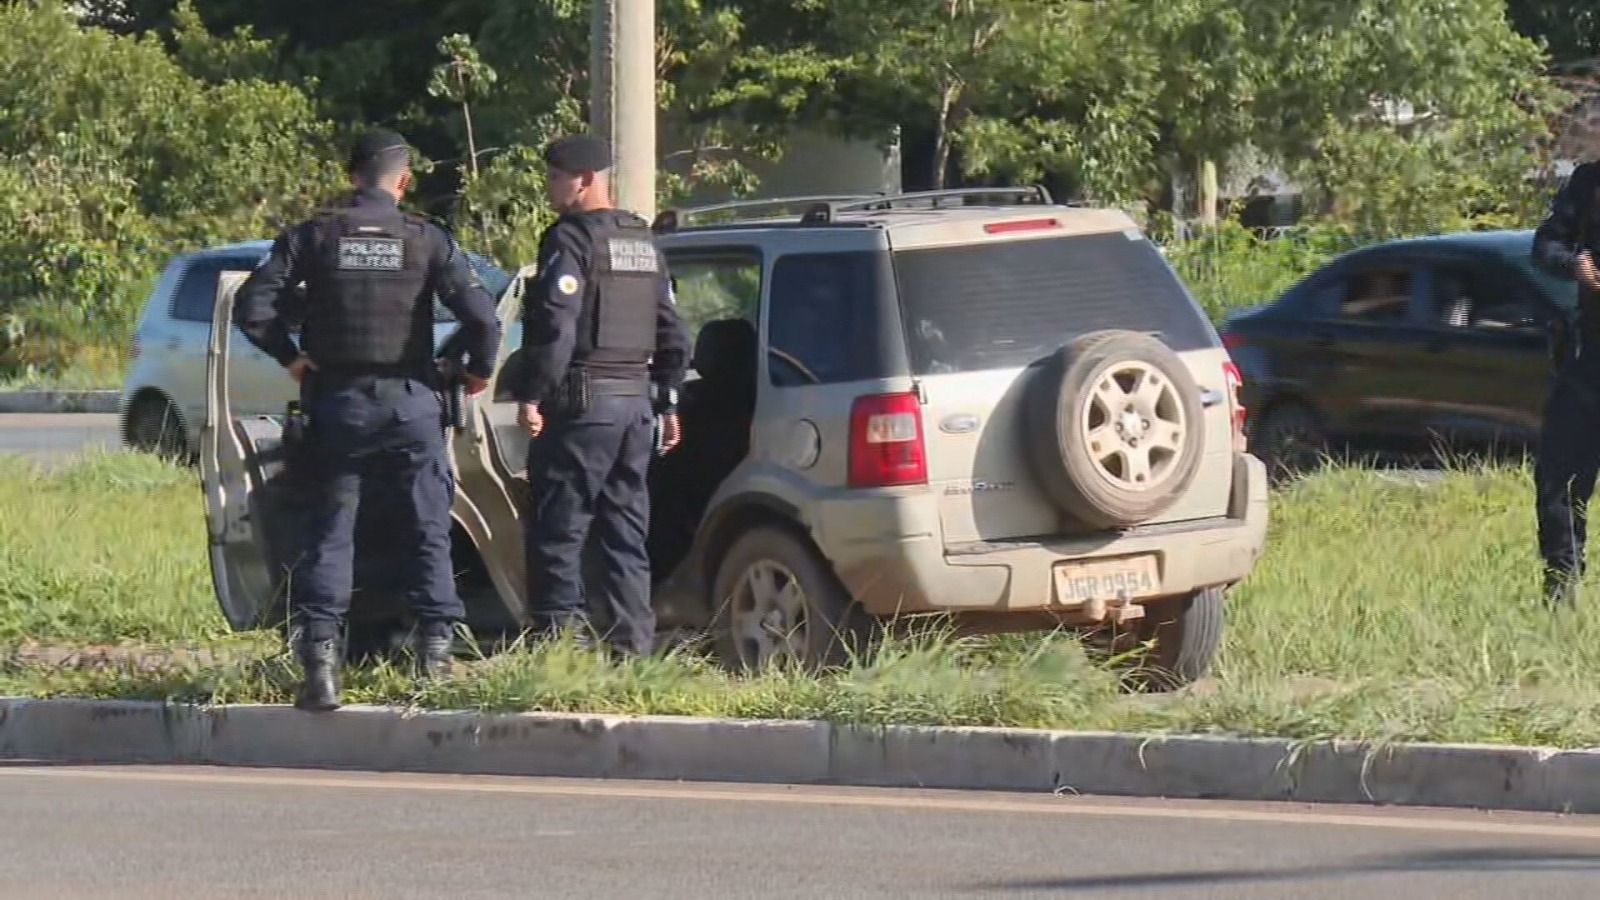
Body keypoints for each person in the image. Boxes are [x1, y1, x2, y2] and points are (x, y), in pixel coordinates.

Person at [233, 129, 502, 709]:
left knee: (330, 532)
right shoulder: (427, 240)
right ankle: (434, 663)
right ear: (403, 181)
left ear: (352, 175)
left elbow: (251, 306)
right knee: (427, 528)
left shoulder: (315, 236)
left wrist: (294, 359)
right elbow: (483, 318)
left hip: (338, 402)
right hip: (410, 403)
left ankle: (320, 672)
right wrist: (477, 372)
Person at [512, 133, 691, 656]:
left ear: (586, 180)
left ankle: (556, 654)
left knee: (560, 528)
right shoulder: (642, 240)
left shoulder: (571, 239)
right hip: (635, 408)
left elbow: (555, 328)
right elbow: (673, 330)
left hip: (584, 405)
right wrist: (670, 399)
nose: (549, 187)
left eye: (554, 177)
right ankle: (631, 651)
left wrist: (532, 393)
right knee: (624, 531)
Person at [1531, 159, 1600, 605]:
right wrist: (1575, 264)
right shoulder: (1587, 181)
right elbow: (1545, 247)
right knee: (1559, 478)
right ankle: (1561, 590)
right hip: (1590, 360)